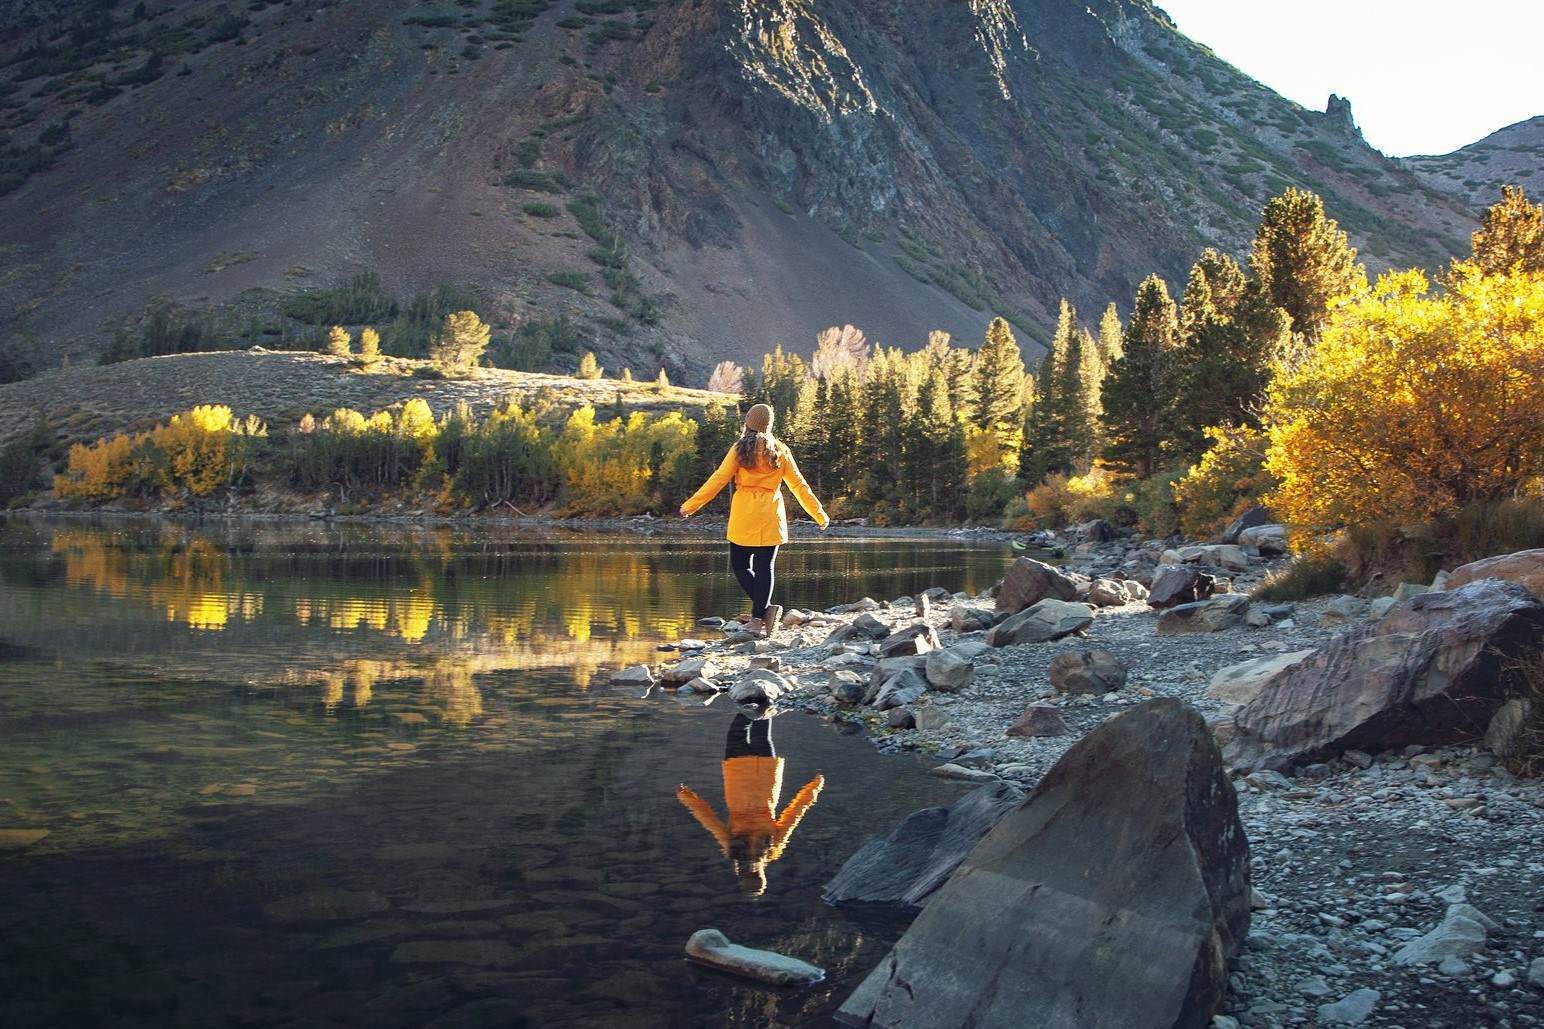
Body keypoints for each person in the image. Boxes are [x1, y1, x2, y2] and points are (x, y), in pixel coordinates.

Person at [678, 403, 829, 636]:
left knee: (740, 565)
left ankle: (763, 611)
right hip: (771, 514)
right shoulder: (780, 450)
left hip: (745, 514)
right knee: (764, 567)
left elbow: (718, 479)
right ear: (769, 425)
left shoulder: (740, 449)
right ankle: (760, 616)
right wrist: (819, 513)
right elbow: (799, 485)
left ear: (747, 422)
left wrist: (691, 505)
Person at [676, 712, 825, 897]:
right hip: (738, 777)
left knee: (760, 733)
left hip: (765, 776)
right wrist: (685, 796)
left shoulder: (771, 849)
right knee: (739, 729)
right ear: (741, 875)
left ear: (762, 875)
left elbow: (794, 814)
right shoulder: (734, 849)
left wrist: (815, 787)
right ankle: (756, 702)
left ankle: (764, 701)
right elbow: (708, 820)